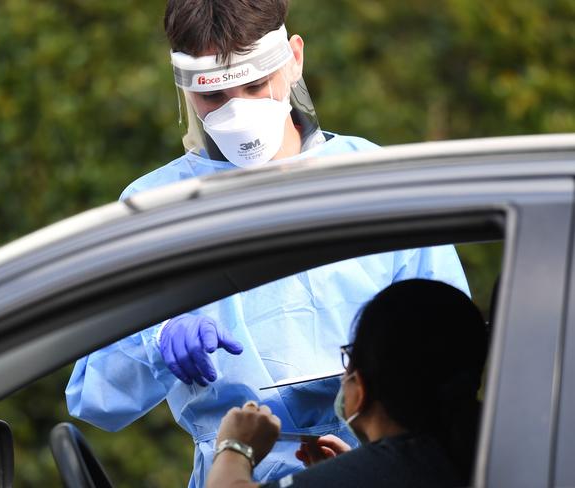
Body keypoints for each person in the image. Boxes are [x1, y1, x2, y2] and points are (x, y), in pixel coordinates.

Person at [65, 1, 470, 487]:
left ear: (294, 57)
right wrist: (155, 342)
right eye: (214, 97)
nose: (239, 113)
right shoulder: (157, 208)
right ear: (186, 89)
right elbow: (94, 396)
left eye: (256, 85)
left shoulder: (376, 183)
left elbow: (455, 358)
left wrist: (372, 442)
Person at [207, 279, 489, 488]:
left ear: (361, 385)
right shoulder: (489, 457)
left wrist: (235, 447)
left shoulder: (383, 470)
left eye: (348, 356)